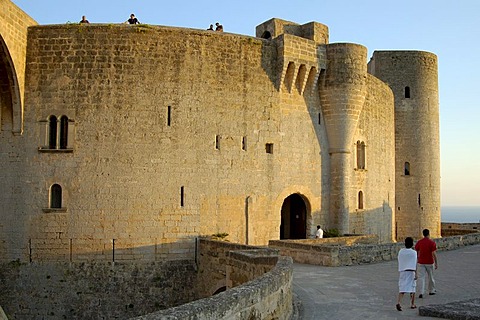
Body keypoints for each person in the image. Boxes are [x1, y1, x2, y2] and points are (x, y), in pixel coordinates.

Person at [415, 229, 438, 298]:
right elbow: (434, 253)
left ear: (423, 234)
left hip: (421, 262)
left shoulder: (419, 242)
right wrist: (436, 262)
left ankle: (421, 292)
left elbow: (416, 251)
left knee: (421, 277)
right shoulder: (432, 243)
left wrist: (417, 259)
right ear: (428, 234)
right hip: (429, 262)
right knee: (431, 277)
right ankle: (431, 290)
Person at [396, 237, 417, 311]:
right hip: (411, 271)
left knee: (402, 288)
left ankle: (399, 302)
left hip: (402, 271)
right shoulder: (414, 252)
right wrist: (416, 273)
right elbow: (415, 263)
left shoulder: (401, 251)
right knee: (412, 288)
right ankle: (412, 304)